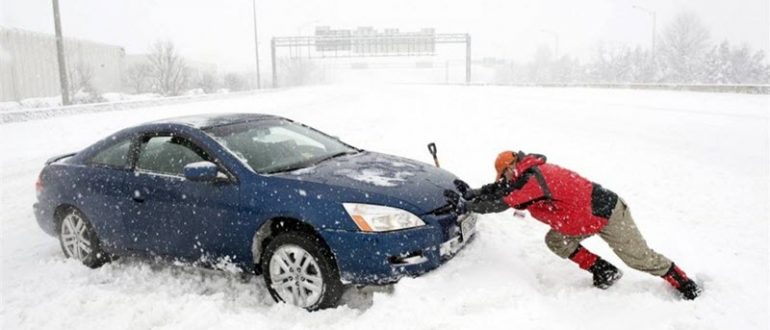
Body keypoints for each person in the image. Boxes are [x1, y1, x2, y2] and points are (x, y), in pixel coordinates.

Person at [455, 151, 701, 300]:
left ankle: (685, 285)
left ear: (511, 168)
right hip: (581, 219)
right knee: (556, 240)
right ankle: (604, 271)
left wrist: (468, 206)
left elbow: (502, 202)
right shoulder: (526, 174)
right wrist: (472, 193)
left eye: (504, 175)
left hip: (607, 213)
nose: (505, 180)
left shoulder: (534, 178)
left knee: (639, 258)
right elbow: (501, 190)